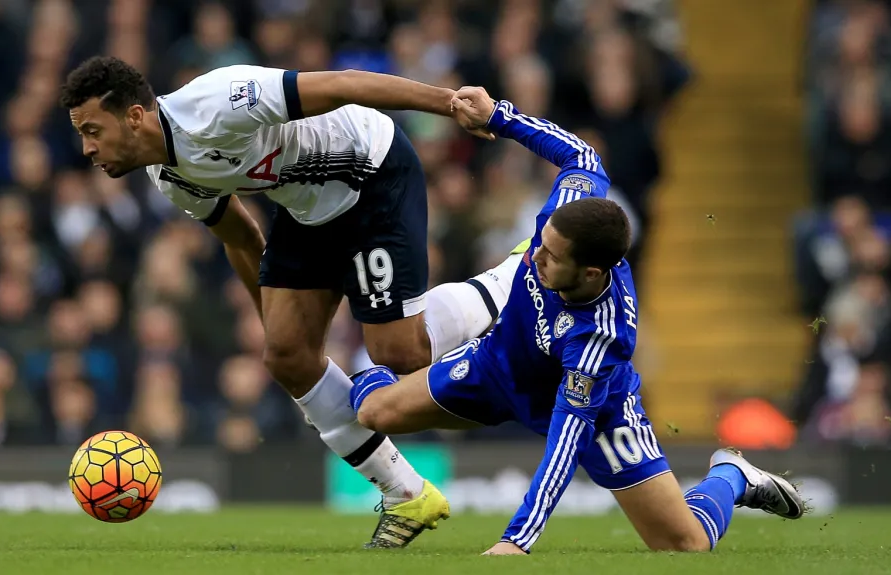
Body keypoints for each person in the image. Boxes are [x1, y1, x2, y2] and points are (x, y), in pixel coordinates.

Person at [59, 57, 523, 548]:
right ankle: (405, 494)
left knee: (401, 355)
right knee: (286, 356)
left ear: (133, 117)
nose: (87, 148)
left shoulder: (217, 102)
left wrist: (448, 104)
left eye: (93, 130)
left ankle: (513, 275)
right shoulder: (169, 177)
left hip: (372, 175)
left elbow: (345, 84)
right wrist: (273, 318)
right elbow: (239, 237)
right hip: (306, 212)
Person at [349, 87, 806, 555]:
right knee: (371, 410)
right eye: (539, 242)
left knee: (683, 546)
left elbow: (565, 442)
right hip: (496, 367)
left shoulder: (600, 338)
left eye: (550, 256)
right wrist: (498, 116)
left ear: (590, 273)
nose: (534, 257)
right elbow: (583, 155)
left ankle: (731, 475)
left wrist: (516, 540)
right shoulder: (566, 213)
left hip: (598, 415)